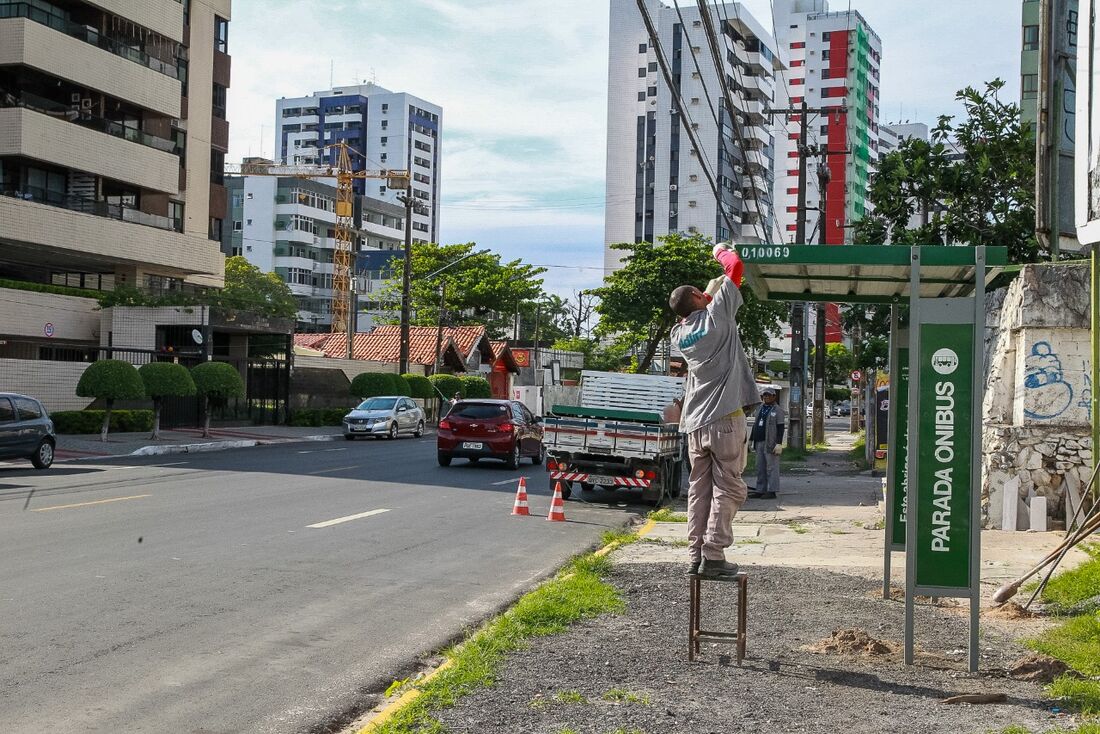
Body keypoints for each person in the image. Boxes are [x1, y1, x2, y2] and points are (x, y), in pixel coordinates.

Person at [669, 242, 760, 578]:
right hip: (724, 417)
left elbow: (696, 305)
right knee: (729, 486)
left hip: (694, 423)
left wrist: (708, 291)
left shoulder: (679, 334)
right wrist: (720, 251)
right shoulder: (718, 314)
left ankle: (695, 556)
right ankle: (715, 554)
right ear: (700, 297)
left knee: (699, 489)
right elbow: (735, 267)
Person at [749, 387, 785, 499]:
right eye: (764, 395)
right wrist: (751, 439)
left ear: (774, 396)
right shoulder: (760, 408)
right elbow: (755, 425)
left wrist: (779, 443)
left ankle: (772, 490)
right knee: (760, 467)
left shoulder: (777, 410)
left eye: (769, 395)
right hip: (759, 441)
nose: (766, 397)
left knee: (771, 467)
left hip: (771, 443)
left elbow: (780, 427)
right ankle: (760, 489)